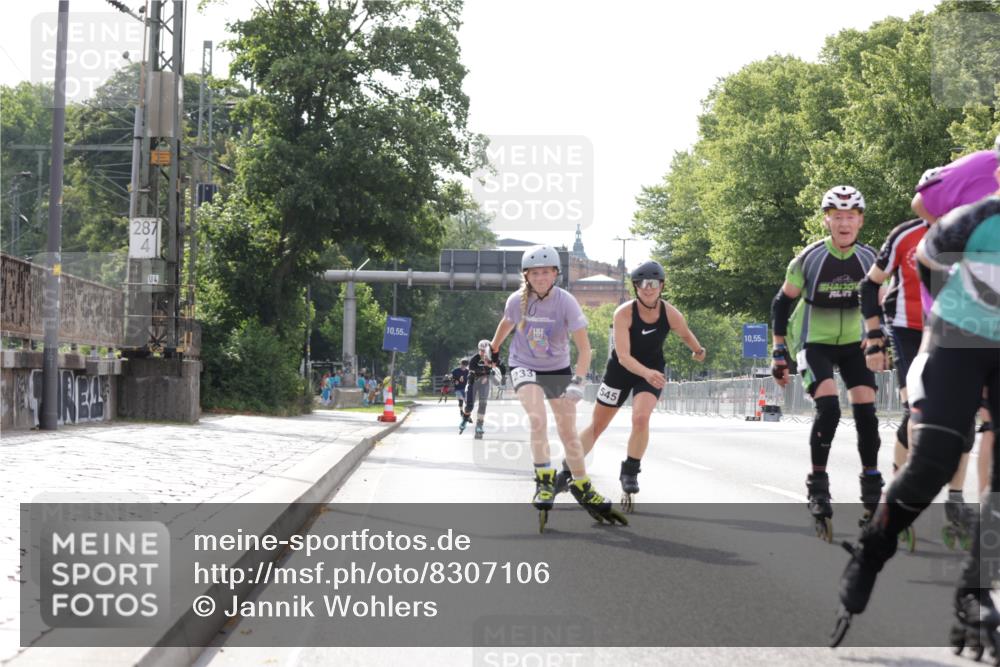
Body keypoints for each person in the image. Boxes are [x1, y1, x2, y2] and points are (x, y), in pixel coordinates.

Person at [832, 139, 1000, 648]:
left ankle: (975, 589)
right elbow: (928, 260)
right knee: (935, 459)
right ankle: (873, 549)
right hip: (959, 337)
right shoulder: (975, 219)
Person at [771, 185, 882, 541]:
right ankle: (818, 483)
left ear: (861, 221)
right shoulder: (809, 259)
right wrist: (778, 351)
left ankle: (871, 482)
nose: (844, 223)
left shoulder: (870, 259)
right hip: (813, 340)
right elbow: (781, 303)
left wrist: (879, 337)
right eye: (838, 217)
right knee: (830, 409)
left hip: (853, 341)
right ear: (827, 221)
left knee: (867, 412)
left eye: (851, 217)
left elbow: (883, 301)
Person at [490, 244, 626, 530]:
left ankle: (582, 484)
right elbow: (506, 324)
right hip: (524, 365)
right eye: (535, 273)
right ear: (526, 275)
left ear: (555, 274)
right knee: (537, 419)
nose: (540, 277)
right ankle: (543, 480)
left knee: (567, 432)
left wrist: (578, 381)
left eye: (546, 272)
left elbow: (585, 349)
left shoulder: (566, 302)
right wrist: (492, 350)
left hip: (558, 369)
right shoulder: (517, 300)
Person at [554, 260, 706, 512]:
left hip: (651, 372)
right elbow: (623, 356)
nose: (648, 289)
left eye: (653, 284)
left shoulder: (670, 313)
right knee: (597, 426)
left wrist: (698, 350)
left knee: (641, 418)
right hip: (620, 372)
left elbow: (686, 334)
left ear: (661, 286)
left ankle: (630, 471)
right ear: (635, 288)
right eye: (642, 285)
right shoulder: (623, 313)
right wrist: (646, 373)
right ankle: (567, 470)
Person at [461, 339, 506, 439]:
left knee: (483, 403)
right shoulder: (474, 359)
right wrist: (487, 371)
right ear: (478, 350)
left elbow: (502, 367)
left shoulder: (492, 358)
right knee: (469, 406)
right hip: (473, 382)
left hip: (484, 385)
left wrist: (503, 381)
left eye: (485, 351)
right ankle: (465, 416)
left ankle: (479, 425)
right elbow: (474, 370)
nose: (483, 353)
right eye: (481, 351)